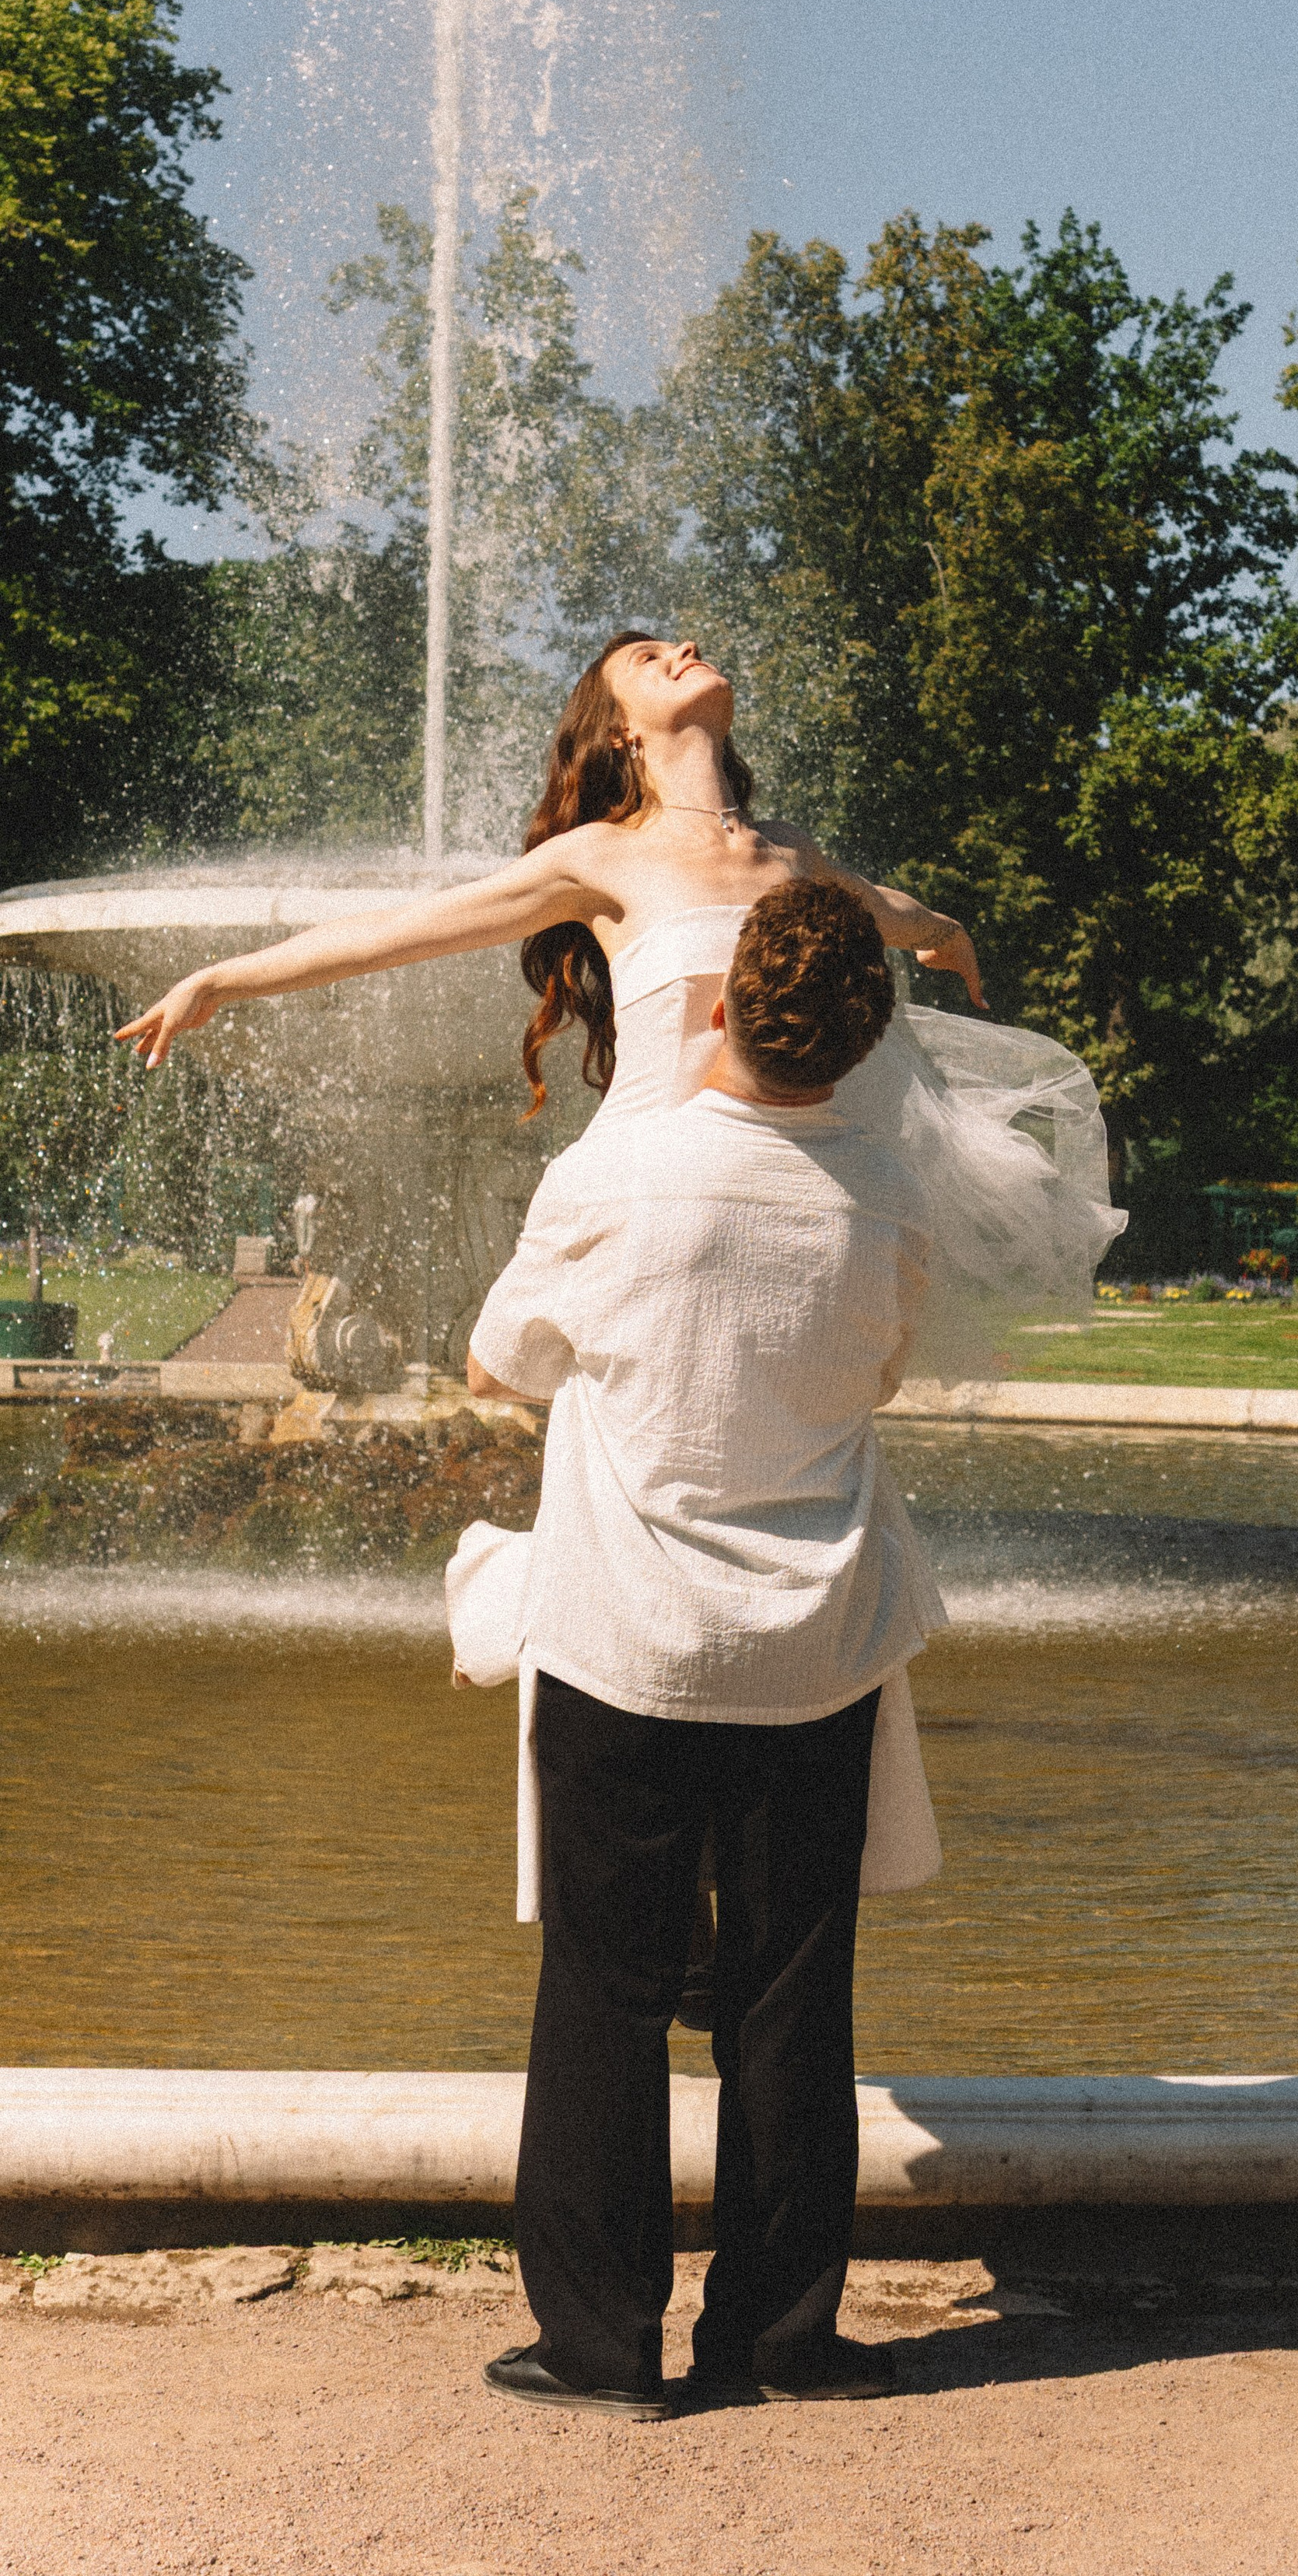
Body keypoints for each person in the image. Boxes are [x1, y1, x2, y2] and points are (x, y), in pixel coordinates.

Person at [119, 632, 1122, 1354]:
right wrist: (220, 977)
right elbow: (397, 933)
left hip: (803, 1186)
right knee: (534, 1383)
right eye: (649, 661)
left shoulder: (792, 857)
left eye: (678, 644)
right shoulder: (601, 855)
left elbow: (882, 908)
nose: (683, 646)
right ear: (623, 735)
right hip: (651, 1191)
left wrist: (945, 933)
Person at [468, 879, 940, 2415]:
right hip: (814, 1650)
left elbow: (496, 1364)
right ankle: (779, 2338)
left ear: (723, 1002)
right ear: (859, 1042)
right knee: (793, 1993)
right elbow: (875, 1371)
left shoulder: (619, 1175)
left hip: (627, 1644)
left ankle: (600, 2348)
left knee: (602, 1991)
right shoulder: (883, 1195)